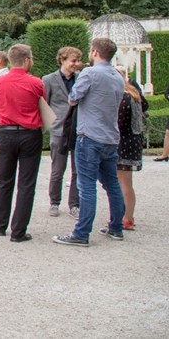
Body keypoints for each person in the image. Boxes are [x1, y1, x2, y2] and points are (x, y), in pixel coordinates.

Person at [54, 38, 127, 247]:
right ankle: (116, 227)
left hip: (90, 136)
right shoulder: (117, 76)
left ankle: (82, 232)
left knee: (86, 186)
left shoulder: (90, 73)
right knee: (112, 183)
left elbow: (72, 98)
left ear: (94, 52)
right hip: (111, 137)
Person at [0, 44, 44, 243]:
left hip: (6, 133)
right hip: (30, 134)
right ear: (27, 60)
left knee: (4, 180)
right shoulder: (36, 82)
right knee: (26, 183)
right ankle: (18, 230)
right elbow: (42, 106)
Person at [43, 47, 82, 217]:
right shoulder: (49, 79)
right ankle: (54, 202)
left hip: (79, 128)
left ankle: (74, 204)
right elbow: (44, 105)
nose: (76, 64)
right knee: (58, 169)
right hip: (59, 129)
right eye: (73, 61)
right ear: (62, 60)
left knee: (77, 170)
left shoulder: (81, 78)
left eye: (78, 61)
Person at [115, 67, 143, 232]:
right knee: (127, 183)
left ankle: (126, 217)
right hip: (134, 141)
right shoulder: (134, 93)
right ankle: (128, 216)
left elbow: (117, 122)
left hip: (124, 143)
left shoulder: (123, 97)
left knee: (123, 183)